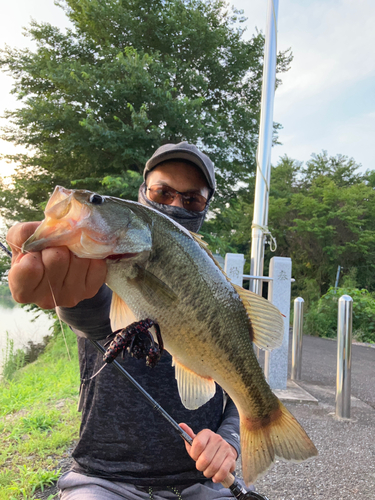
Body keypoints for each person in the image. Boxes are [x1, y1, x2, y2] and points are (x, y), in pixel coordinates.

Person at [7, 142, 254, 500]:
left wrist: (229, 441)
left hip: (202, 482)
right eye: (162, 192)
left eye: (191, 200)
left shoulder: (216, 285)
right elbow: (90, 313)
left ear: (204, 208)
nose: (174, 204)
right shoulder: (104, 269)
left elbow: (239, 382)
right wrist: (62, 285)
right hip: (102, 481)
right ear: (142, 195)